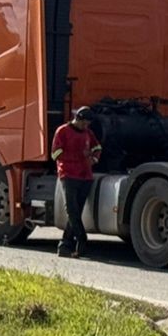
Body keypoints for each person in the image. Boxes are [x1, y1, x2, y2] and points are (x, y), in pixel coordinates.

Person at [51, 107, 102, 258]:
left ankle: (65, 245)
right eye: (84, 123)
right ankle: (82, 239)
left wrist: (94, 158)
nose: (86, 127)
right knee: (72, 210)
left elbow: (97, 147)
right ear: (78, 119)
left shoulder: (88, 133)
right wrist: (78, 156)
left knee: (76, 212)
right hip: (68, 175)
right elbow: (55, 153)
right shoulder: (63, 131)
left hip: (85, 177)